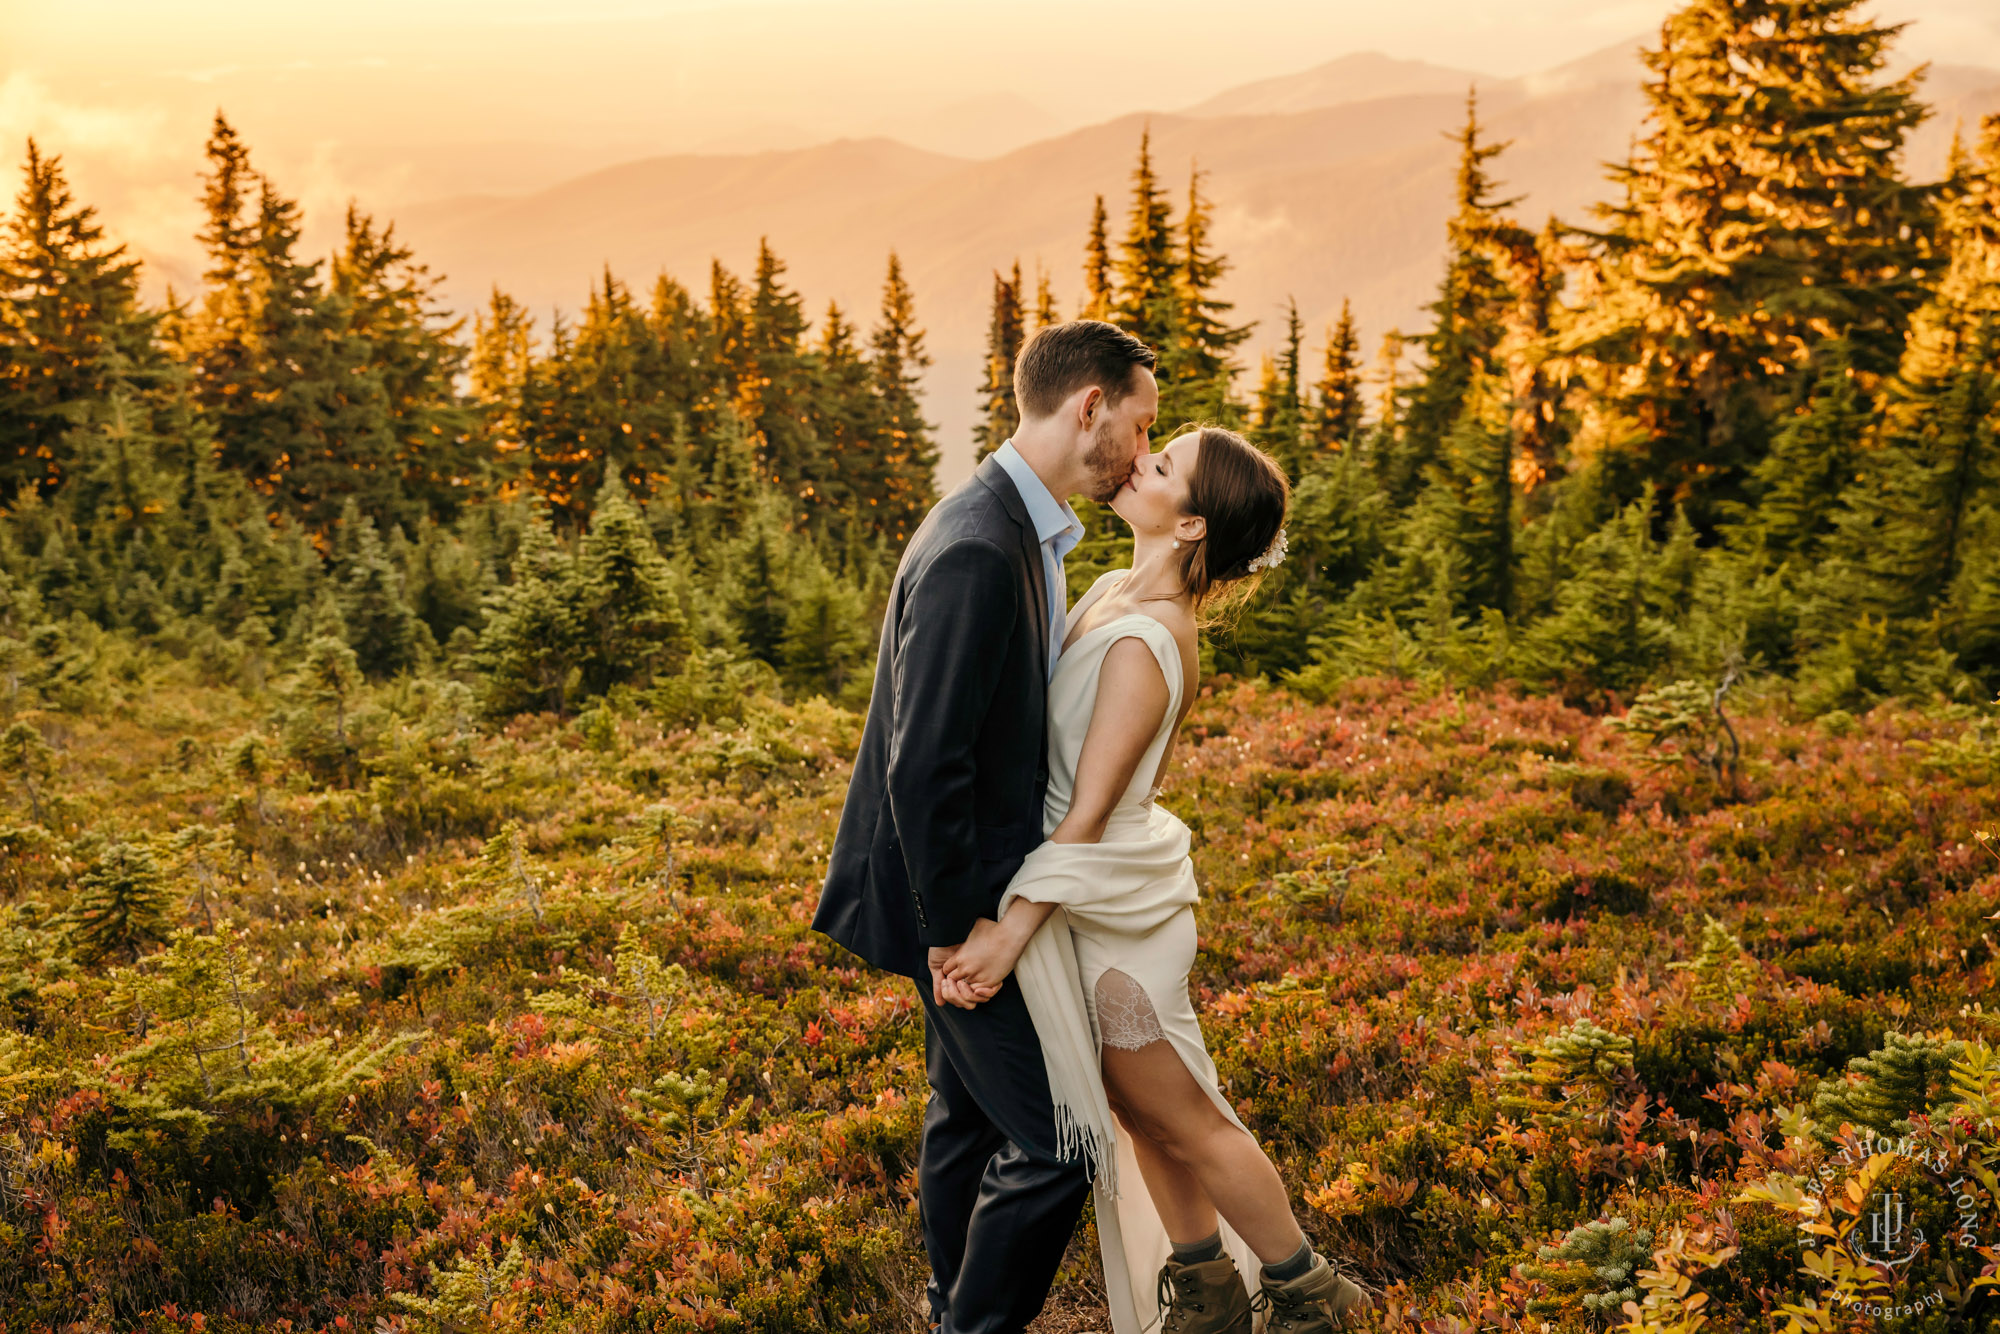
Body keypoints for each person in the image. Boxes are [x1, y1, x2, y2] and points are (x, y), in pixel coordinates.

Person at [940, 425, 1369, 1334]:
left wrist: (1009, 931)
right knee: (1144, 1116)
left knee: (1191, 1117)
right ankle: (1207, 1284)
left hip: (1112, 908)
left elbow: (1087, 815)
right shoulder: (1107, 590)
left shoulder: (1148, 639)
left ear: (1191, 527)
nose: (1140, 462)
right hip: (1083, 897)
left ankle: (1308, 1292)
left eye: (1163, 467)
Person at [812, 318, 1159, 1334]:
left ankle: (943, 1301)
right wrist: (960, 931)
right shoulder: (976, 544)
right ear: (1086, 407)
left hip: (962, 885)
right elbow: (925, 763)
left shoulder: (1020, 524)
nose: (1141, 453)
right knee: (1062, 1141)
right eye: (1139, 427)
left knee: (963, 1115)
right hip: (953, 897)